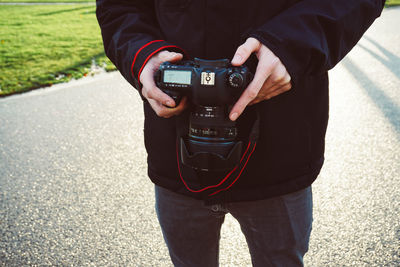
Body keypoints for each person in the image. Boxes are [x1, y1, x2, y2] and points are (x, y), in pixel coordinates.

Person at [96, 1, 384, 266]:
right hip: (176, 153)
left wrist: (291, 44)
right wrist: (142, 55)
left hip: (280, 148)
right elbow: (119, 7)